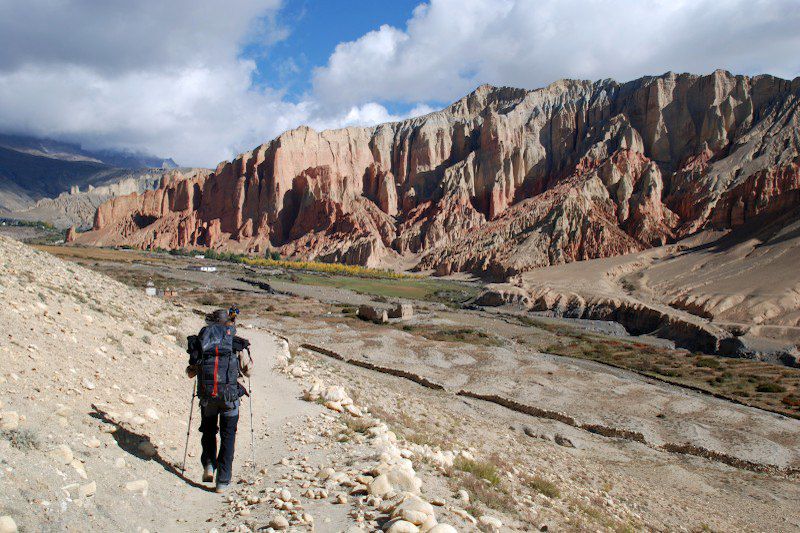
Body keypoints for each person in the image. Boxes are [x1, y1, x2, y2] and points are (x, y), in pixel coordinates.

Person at [186, 307, 252, 492]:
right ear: (228, 323)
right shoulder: (234, 342)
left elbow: (191, 372)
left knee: (208, 432)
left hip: (208, 398)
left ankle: (208, 465)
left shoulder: (203, 341)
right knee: (228, 436)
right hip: (230, 398)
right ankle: (222, 481)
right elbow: (248, 370)